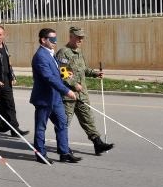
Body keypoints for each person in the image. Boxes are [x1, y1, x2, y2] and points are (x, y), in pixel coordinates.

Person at [56, 26, 114, 155]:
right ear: (71, 36)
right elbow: (61, 72)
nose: (80, 39)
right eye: (78, 37)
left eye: (82, 37)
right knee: (65, 122)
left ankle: (97, 143)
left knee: (87, 118)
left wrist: (94, 73)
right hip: (68, 95)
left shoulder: (79, 52)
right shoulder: (63, 52)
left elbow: (83, 69)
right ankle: (63, 147)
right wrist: (73, 84)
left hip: (82, 94)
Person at [30, 28, 81, 164]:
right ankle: (40, 154)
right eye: (52, 39)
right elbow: (49, 78)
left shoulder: (50, 54)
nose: (55, 42)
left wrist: (67, 75)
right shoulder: (40, 56)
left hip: (55, 98)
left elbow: (58, 69)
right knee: (41, 127)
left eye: (56, 39)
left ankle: (64, 153)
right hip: (44, 98)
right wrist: (67, 91)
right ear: (43, 40)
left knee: (62, 123)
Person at [0, 26, 29, 137]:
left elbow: (7, 63)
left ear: (4, 35)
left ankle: (14, 129)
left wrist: (12, 76)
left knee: (10, 105)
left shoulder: (4, 46)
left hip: (6, 81)